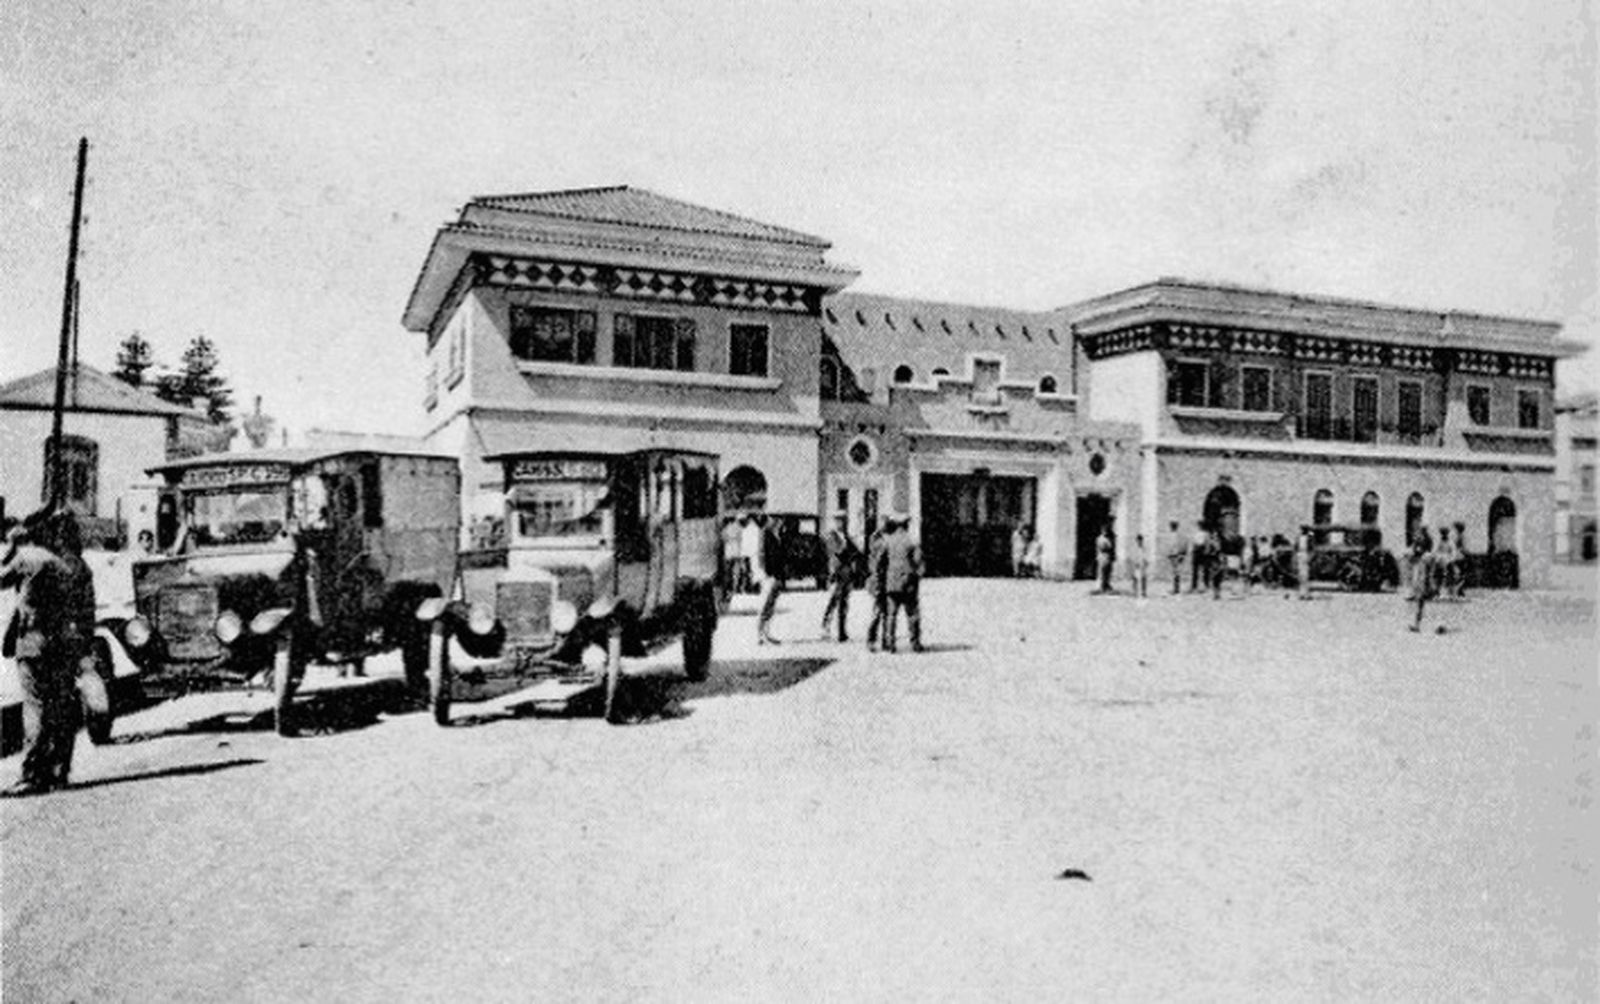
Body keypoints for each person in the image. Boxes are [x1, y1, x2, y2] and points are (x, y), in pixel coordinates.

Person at [3, 511, 97, 794]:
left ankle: (32, 774)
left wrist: (11, 549)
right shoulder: (71, 565)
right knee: (61, 706)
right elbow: (84, 610)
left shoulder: (28, 557)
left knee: (34, 707)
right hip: (64, 644)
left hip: (33, 643)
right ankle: (58, 770)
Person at [878, 513, 923, 653]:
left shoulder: (888, 541)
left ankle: (891, 644)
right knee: (912, 614)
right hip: (908, 582)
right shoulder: (911, 541)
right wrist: (915, 574)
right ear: (906, 525)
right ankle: (915, 643)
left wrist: (884, 577)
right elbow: (918, 560)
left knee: (891, 614)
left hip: (892, 583)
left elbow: (880, 562)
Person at [820, 512, 859, 642]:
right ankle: (825, 627)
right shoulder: (832, 536)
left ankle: (842, 632)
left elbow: (856, 551)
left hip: (846, 574)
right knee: (833, 602)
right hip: (836, 574)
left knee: (844, 604)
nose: (841, 523)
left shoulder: (846, 536)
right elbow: (838, 551)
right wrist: (847, 545)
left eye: (843, 520)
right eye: (839, 520)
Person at [754, 515, 785, 644]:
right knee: (765, 605)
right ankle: (760, 633)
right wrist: (766, 573)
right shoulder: (765, 534)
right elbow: (761, 554)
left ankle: (767, 632)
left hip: (777, 575)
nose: (778, 522)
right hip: (769, 575)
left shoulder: (775, 535)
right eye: (775, 520)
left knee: (771, 606)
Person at [864, 517, 888, 651]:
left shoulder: (878, 540)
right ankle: (872, 639)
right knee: (879, 612)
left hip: (883, 581)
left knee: (884, 612)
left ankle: (883, 640)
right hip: (879, 582)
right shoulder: (880, 543)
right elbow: (877, 566)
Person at [1407, 525, 1436, 632]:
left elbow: (1426, 572)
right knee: (1421, 605)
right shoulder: (1426, 557)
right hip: (1423, 583)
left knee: (1422, 604)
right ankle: (1418, 625)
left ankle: (1421, 625)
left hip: (1424, 584)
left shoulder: (1426, 557)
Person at [1164, 520, 1186, 595]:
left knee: (1175, 572)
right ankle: (1176, 588)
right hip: (1177, 554)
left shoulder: (1172, 536)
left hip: (1174, 555)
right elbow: (1183, 545)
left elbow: (1171, 546)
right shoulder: (1179, 535)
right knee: (1176, 571)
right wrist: (1182, 554)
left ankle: (1176, 589)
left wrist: (1169, 553)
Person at [1189, 521, 1210, 593]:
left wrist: (1206, 551)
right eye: (1199, 525)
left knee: (1205, 569)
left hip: (1202, 551)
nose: (1199, 527)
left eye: (1200, 525)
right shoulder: (1196, 533)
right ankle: (1194, 585)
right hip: (1196, 551)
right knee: (1195, 569)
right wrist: (1192, 551)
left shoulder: (1206, 534)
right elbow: (1193, 542)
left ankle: (1206, 585)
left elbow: (1207, 543)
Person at [1094, 524, 1115, 594]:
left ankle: (1105, 585)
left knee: (1106, 572)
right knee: (1102, 572)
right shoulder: (1101, 539)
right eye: (1104, 531)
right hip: (1103, 556)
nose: (1105, 532)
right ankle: (1101, 586)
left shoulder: (1105, 538)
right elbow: (1107, 547)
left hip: (1105, 557)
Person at [1295, 527, 1313, 600]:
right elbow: (1295, 547)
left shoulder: (1307, 538)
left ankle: (1304, 594)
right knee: (1303, 576)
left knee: (1303, 576)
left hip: (1303, 555)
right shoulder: (1301, 538)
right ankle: (1303, 594)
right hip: (1302, 555)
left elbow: (1312, 548)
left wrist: (1310, 557)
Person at [1129, 533, 1149, 598]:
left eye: (1141, 541)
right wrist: (1135, 562)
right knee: (1135, 578)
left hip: (1142, 564)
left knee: (1143, 578)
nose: (1139, 542)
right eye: (1138, 540)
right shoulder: (1134, 548)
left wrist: (1146, 562)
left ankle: (1143, 591)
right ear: (1136, 541)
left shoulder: (1144, 548)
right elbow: (1132, 556)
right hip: (1136, 565)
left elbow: (1145, 556)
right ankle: (1134, 591)